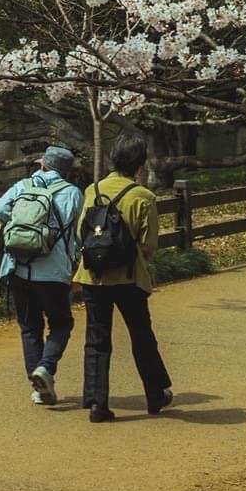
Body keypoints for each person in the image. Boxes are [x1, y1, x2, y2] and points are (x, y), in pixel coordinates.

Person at [73, 129, 173, 423]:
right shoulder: (143, 196)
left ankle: (96, 402)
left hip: (94, 277)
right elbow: (150, 245)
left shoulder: (93, 191)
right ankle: (155, 395)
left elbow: (82, 231)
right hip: (129, 278)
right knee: (141, 336)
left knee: (96, 338)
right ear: (140, 165)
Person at [0, 145, 84, 405]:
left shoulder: (23, 186)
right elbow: (77, 230)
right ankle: (46, 367)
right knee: (61, 323)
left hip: (19, 268)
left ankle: (38, 384)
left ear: (43, 164)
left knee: (30, 327)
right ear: (67, 171)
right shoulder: (73, 193)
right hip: (54, 271)